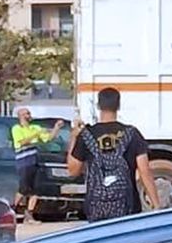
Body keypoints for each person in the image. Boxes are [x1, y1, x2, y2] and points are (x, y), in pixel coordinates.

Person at [65, 88, 159, 222]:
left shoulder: (86, 135)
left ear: (98, 106)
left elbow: (73, 171)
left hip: (96, 208)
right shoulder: (132, 134)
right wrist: (156, 205)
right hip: (127, 208)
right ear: (118, 106)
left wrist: (74, 137)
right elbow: (145, 172)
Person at [10, 105, 51, 214]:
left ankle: (29, 214)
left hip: (34, 162)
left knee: (35, 190)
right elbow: (22, 142)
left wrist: (56, 128)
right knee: (23, 189)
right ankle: (12, 209)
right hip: (24, 163)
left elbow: (47, 139)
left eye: (29, 113)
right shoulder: (16, 128)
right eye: (27, 113)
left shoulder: (35, 127)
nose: (29, 115)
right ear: (21, 116)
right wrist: (36, 134)